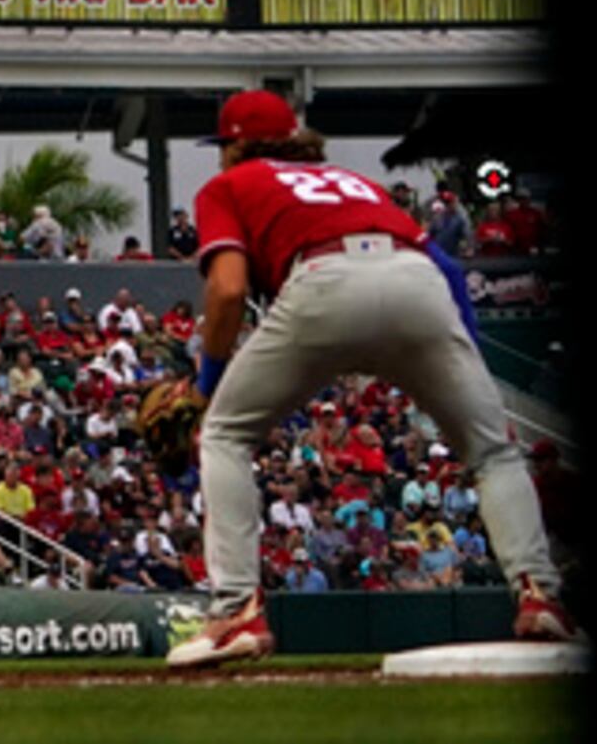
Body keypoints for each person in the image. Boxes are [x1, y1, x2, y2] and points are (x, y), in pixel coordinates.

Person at [164, 90, 570, 668]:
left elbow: (227, 289)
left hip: (323, 281)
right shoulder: (356, 183)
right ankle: (539, 596)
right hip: (416, 282)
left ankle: (235, 612)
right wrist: (468, 361)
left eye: (223, 147)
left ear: (234, 147)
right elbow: (451, 270)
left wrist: (206, 385)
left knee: (225, 435)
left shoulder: (229, 185)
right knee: (493, 452)